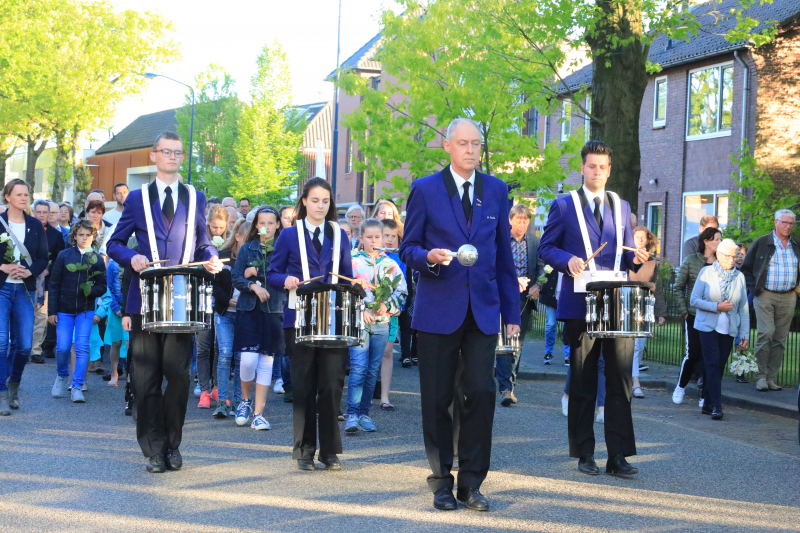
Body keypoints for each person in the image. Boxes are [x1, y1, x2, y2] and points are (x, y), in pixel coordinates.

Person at [400, 118, 520, 511]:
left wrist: (512, 312)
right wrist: (428, 258)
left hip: (483, 310)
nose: (470, 150)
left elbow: (504, 257)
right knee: (437, 398)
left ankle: (472, 483)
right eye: (463, 143)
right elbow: (408, 248)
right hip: (438, 309)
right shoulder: (425, 189)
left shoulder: (497, 190)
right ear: (448, 147)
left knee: (482, 394)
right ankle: (440, 482)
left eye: (476, 143)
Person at [107, 131, 222, 473]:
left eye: (178, 152)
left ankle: (173, 443)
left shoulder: (195, 197)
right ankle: (154, 449)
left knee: (179, 376)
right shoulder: (137, 198)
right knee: (145, 379)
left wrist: (212, 256)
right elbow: (114, 243)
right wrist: (133, 258)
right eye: (166, 151)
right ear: (154, 155)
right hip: (143, 300)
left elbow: (203, 243)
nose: (173, 157)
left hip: (181, 299)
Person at [538, 140, 650, 478]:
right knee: (584, 378)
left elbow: (626, 250)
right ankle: (584, 452)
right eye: (591, 166)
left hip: (617, 300)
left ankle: (618, 456)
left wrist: (636, 257)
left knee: (620, 379)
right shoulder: (564, 205)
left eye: (603, 167)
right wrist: (567, 259)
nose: (597, 172)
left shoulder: (622, 204)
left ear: (609, 169)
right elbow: (546, 248)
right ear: (582, 168)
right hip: (580, 301)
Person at [267, 177, 354, 472]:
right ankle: (304, 450)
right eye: (314, 200)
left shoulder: (340, 235)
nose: (320, 206)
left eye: (325, 201)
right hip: (299, 319)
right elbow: (273, 274)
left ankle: (329, 451)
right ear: (304, 201)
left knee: (331, 386)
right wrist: (285, 280)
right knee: (304, 387)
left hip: (333, 320)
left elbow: (347, 277)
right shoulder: (289, 236)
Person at [346, 219, 406, 433]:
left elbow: (401, 294)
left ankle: (364, 413)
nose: (374, 241)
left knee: (372, 370)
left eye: (377, 237)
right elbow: (342, 291)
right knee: (359, 367)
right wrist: (360, 310)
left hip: (382, 323)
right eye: (369, 237)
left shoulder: (391, 264)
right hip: (359, 322)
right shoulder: (352, 261)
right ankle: (351, 413)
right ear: (360, 238)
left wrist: (386, 306)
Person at [231, 207, 285, 430]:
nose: (266, 227)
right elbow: (235, 277)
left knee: (266, 362)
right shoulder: (247, 248)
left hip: (273, 310)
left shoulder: (283, 248)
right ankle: (245, 400)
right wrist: (251, 284)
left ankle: (259, 414)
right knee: (248, 360)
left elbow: (285, 277)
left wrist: (256, 273)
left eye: (271, 223)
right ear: (255, 226)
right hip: (248, 310)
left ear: (278, 225)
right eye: (262, 223)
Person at [0, 179, 49, 415]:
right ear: (7, 197)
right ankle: (1, 393)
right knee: (0, 342)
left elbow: (43, 257)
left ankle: (14, 385)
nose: (23, 198)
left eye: (26, 195)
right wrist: (3, 266)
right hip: (2, 289)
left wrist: (29, 271)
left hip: (24, 290)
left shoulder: (35, 225)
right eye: (18, 194)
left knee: (24, 346)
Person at [47, 219, 107, 402]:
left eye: (88, 235)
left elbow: (103, 286)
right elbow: (55, 283)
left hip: (85, 310)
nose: (84, 238)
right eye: (80, 234)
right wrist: (52, 311)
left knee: (82, 347)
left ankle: (77, 385)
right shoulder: (64, 255)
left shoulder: (96, 258)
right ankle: (61, 375)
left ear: (93, 237)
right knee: (63, 347)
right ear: (74, 236)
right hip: (64, 310)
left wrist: (91, 291)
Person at [690, 239, 749, 419]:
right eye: (728, 256)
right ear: (719, 255)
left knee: (718, 367)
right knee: (712, 364)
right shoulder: (706, 272)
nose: (732, 260)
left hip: (729, 330)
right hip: (707, 327)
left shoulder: (739, 277)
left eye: (735, 256)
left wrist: (744, 333)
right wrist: (717, 306)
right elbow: (694, 300)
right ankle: (716, 406)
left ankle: (707, 403)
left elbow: (743, 308)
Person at [741, 209, 799, 392]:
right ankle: (761, 376)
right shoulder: (762, 242)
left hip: (789, 295)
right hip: (765, 294)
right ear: (775, 222)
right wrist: (755, 289)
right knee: (765, 334)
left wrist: (797, 289)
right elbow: (746, 268)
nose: (788, 226)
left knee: (780, 339)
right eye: (784, 222)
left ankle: (772, 378)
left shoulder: (796, 243)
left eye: (791, 223)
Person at [498, 203, 543, 406]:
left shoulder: (534, 242)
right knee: (504, 342)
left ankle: (510, 385)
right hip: (502, 298)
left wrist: (537, 286)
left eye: (526, 221)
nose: (522, 225)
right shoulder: (500, 241)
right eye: (519, 220)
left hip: (524, 299)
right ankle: (505, 388)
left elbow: (542, 268)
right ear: (510, 220)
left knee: (518, 344)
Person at [672, 226, 722, 405]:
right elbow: (678, 286)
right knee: (693, 353)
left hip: (714, 314)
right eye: (716, 239)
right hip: (693, 314)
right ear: (706, 241)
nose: (719, 243)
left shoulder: (721, 263)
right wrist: (684, 311)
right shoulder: (691, 260)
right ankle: (681, 386)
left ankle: (704, 395)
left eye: (720, 239)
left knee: (709, 356)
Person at [212, 219, 249, 419]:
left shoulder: (253, 259)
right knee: (225, 354)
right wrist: (227, 301)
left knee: (240, 358)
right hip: (225, 313)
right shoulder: (222, 258)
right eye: (246, 239)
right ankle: (221, 402)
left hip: (244, 314)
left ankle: (237, 401)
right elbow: (215, 286)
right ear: (237, 237)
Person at [195, 205, 231, 408]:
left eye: (221, 228)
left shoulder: (228, 246)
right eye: (214, 227)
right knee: (202, 348)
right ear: (208, 223)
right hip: (202, 302)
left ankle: (218, 387)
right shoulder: (201, 246)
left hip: (221, 304)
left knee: (220, 348)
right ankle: (204, 390)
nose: (217, 231)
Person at [628, 227, 667, 399]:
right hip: (626, 305)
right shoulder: (624, 259)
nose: (640, 240)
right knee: (626, 346)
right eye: (637, 237)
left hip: (644, 307)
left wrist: (660, 312)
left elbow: (657, 289)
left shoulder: (652, 262)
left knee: (638, 347)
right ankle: (631, 381)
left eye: (643, 237)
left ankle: (633, 380)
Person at [30, 200, 65, 364]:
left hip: (45, 281)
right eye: (39, 212)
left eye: (45, 212)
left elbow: (59, 259)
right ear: (33, 212)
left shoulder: (57, 235)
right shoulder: (26, 230)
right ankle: (22, 347)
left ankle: (36, 350)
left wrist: (47, 271)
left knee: (41, 318)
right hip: (26, 279)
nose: (42, 215)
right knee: (25, 315)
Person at [376, 218, 406, 409]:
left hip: (391, 312)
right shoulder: (368, 256)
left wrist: (396, 308)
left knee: (387, 352)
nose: (388, 239)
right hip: (371, 312)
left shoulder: (399, 258)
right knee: (367, 355)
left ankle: (385, 396)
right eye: (385, 235)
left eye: (392, 236)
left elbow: (403, 287)